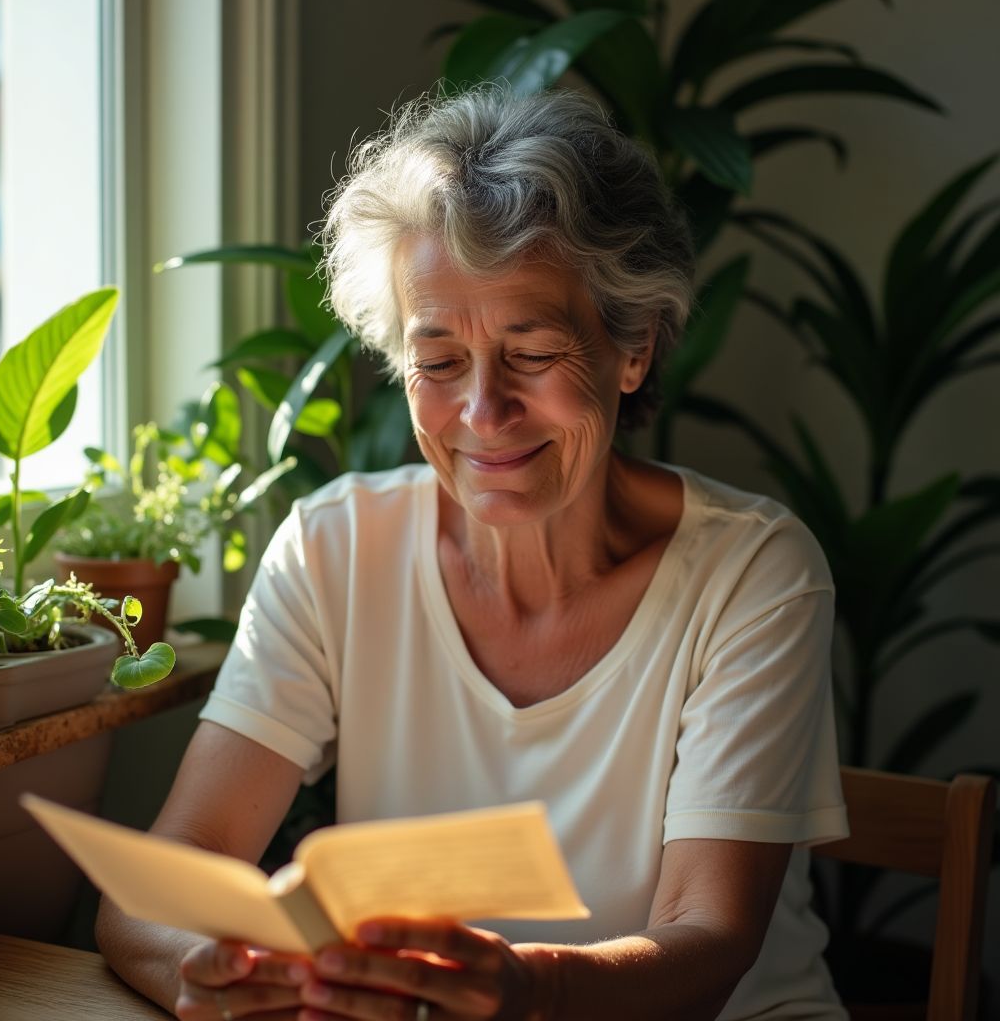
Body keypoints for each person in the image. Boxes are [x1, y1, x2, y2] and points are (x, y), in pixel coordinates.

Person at [96, 84, 849, 1021]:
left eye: (531, 354)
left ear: (634, 349)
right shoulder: (336, 549)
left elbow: (708, 941)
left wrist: (527, 989)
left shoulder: (755, 573)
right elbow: (158, 888)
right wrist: (209, 973)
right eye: (440, 362)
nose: (483, 416)